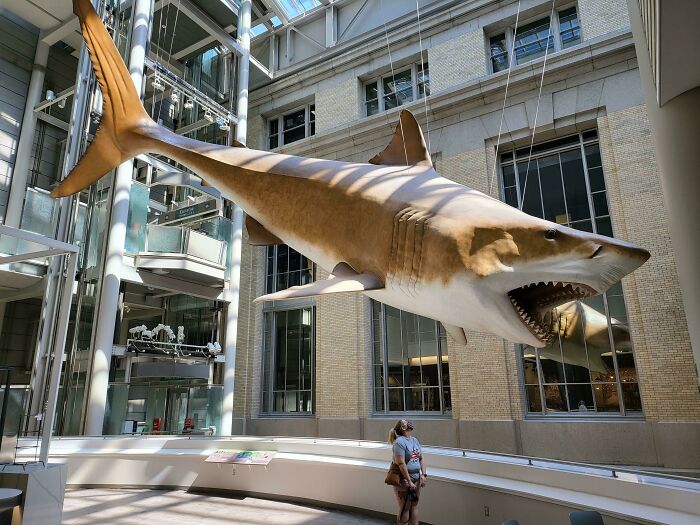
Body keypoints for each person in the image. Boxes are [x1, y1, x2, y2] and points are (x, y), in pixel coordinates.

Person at [388, 419, 427, 525]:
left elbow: (421, 458)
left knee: (414, 505)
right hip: (404, 480)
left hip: (416, 478)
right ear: (402, 428)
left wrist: (423, 475)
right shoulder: (399, 443)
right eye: (406, 422)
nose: (409, 423)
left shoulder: (414, 440)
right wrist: (409, 481)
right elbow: (401, 463)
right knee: (405, 507)